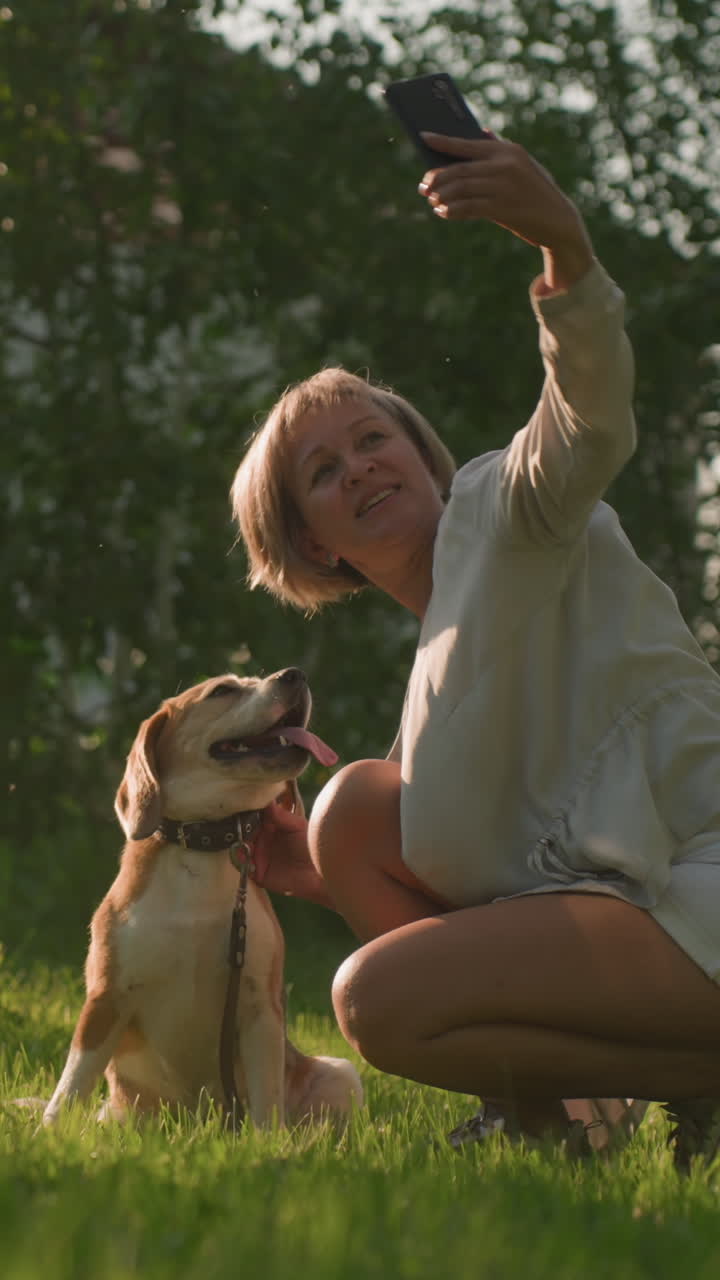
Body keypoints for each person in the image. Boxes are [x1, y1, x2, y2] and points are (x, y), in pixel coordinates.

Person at [230, 130, 720, 1168]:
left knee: (375, 998)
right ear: (315, 542)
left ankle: (659, 1084)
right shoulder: (436, 681)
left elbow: (589, 421)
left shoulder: (507, 509)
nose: (361, 467)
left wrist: (564, 251)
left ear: (422, 455)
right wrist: (315, 870)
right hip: (628, 914)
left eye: (374, 439)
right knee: (355, 805)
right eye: (325, 471)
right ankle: (567, 1119)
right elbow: (495, 870)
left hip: (701, 883)